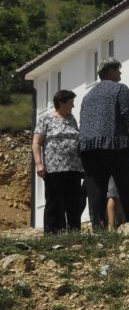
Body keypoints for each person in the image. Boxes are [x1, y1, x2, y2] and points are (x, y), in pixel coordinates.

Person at [79, 57, 129, 229]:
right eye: (118, 69)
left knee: (95, 193)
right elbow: (128, 117)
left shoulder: (87, 96)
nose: (120, 73)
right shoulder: (120, 89)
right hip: (115, 145)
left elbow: (83, 123)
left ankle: (99, 229)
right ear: (110, 71)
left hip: (88, 149)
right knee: (128, 187)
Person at [32, 89, 84, 233]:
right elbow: (36, 143)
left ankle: (74, 232)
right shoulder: (46, 118)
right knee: (54, 202)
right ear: (61, 102)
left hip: (74, 168)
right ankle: (52, 234)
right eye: (71, 102)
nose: (73, 106)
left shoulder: (72, 119)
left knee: (74, 202)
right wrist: (39, 164)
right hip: (54, 168)